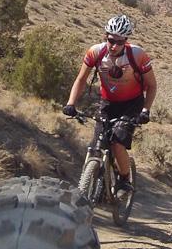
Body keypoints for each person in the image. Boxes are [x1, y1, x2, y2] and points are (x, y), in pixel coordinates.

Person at [63, 14, 157, 197]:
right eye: (110, 40)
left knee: (117, 143)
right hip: (107, 103)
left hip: (132, 104)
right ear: (105, 36)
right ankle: (92, 182)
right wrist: (71, 103)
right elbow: (81, 79)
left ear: (126, 40)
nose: (113, 45)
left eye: (119, 42)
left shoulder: (137, 55)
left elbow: (152, 86)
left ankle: (124, 179)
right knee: (96, 144)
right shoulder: (95, 52)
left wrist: (145, 110)